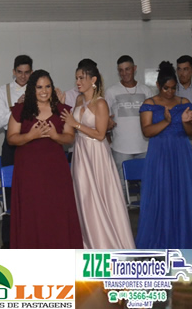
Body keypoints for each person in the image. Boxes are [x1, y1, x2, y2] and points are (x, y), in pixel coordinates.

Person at [61, 61, 135, 249]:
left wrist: (76, 124)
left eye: (81, 78)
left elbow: (101, 134)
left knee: (100, 195)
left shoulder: (101, 103)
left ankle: (107, 242)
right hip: (81, 152)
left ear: (93, 80)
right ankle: (88, 241)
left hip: (97, 152)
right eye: (76, 78)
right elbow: (69, 126)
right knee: (84, 196)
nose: (78, 82)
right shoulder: (79, 100)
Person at [137, 61, 192, 249]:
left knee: (184, 196)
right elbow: (147, 131)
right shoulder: (149, 104)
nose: (170, 92)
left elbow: (191, 132)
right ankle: (161, 241)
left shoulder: (184, 103)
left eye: (173, 88)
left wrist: (185, 121)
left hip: (181, 152)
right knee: (161, 195)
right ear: (158, 85)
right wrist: (166, 122)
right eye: (166, 88)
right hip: (159, 154)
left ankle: (186, 240)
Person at [7, 70, 83, 249]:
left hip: (55, 171)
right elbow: (11, 138)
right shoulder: (20, 110)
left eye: (47, 86)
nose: (44, 91)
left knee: (56, 210)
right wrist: (30, 136)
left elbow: (69, 137)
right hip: (28, 171)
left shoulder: (63, 110)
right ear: (32, 89)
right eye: (39, 87)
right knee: (32, 212)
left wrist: (55, 136)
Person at [0, 54, 33, 248]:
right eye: (19, 72)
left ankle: (31, 237)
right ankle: (8, 241)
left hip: (33, 144)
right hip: (11, 143)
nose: (23, 76)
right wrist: (18, 108)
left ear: (31, 72)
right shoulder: (4, 91)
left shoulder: (39, 89)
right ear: (13, 72)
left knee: (32, 192)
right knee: (9, 192)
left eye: (27, 73)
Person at [105, 55, 155, 190]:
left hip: (144, 147)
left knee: (147, 184)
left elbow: (153, 118)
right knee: (121, 185)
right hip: (121, 148)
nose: (124, 73)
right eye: (121, 70)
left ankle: (144, 205)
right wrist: (109, 140)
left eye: (127, 69)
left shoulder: (146, 91)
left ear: (134, 68)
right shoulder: (111, 91)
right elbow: (105, 119)